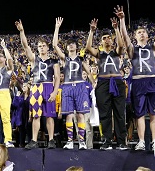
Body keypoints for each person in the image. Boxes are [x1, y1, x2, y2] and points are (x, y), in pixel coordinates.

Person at [115, 1, 155, 151]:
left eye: (144, 32)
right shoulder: (132, 50)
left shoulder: (154, 48)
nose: (142, 33)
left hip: (151, 81)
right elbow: (124, 37)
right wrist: (122, 20)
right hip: (138, 82)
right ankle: (142, 141)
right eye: (139, 32)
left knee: (154, 113)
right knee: (139, 114)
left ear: (148, 35)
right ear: (135, 36)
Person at [15, 19, 61, 149]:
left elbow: (57, 77)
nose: (41, 48)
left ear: (47, 47)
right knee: (36, 115)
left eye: (43, 46)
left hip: (48, 86)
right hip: (36, 87)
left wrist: (55, 91)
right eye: (39, 46)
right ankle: (34, 140)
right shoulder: (34, 59)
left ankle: (51, 140)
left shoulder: (54, 61)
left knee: (50, 115)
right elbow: (25, 46)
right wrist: (22, 31)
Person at [85, 16, 128, 150]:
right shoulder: (99, 53)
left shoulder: (116, 52)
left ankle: (121, 142)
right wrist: (92, 32)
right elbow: (87, 48)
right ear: (101, 41)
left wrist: (116, 28)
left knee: (119, 113)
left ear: (112, 38)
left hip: (117, 81)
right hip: (103, 83)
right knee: (105, 113)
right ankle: (107, 141)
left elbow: (121, 45)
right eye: (104, 38)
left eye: (109, 37)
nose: (107, 39)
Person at [52, 17, 91, 150]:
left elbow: (88, 72)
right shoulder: (64, 58)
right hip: (68, 86)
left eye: (73, 44)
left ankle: (81, 141)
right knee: (69, 114)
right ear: (67, 47)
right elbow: (55, 45)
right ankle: (69, 141)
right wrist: (57, 28)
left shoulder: (81, 59)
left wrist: (93, 82)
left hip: (80, 85)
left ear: (76, 46)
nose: (71, 45)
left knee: (80, 114)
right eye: (69, 44)